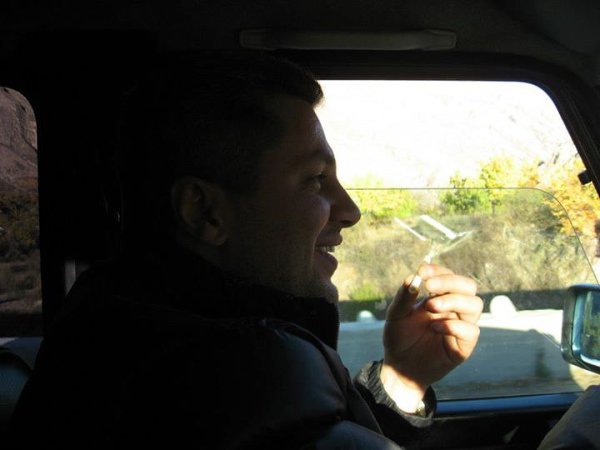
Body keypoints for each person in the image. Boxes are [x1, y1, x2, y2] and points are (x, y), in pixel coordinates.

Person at [10, 52, 483, 449]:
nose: (350, 211)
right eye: (316, 179)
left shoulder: (120, 333)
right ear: (205, 212)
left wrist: (401, 378)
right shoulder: (243, 372)